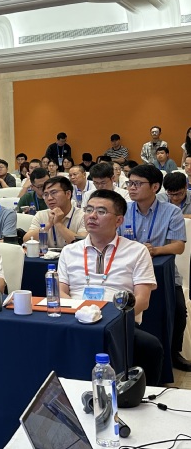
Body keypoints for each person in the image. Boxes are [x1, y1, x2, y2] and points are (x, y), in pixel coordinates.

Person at [58, 190, 163, 385]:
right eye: (89, 210)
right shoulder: (69, 251)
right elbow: (61, 292)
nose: (92, 216)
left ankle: (141, 395)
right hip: (75, 319)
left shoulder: (137, 251)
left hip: (118, 323)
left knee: (150, 346)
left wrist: (109, 319)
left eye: (101, 211)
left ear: (119, 220)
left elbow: (143, 300)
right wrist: (79, 313)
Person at [123, 164, 190, 371]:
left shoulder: (172, 212)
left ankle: (173, 353)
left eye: (137, 184)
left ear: (155, 187)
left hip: (163, 272)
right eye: (130, 183)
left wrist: (154, 250)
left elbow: (178, 246)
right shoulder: (122, 210)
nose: (131, 188)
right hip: (127, 272)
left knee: (179, 309)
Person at [23, 176, 87, 248]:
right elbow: (26, 240)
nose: (49, 198)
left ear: (68, 194)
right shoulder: (41, 215)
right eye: (46, 194)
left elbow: (82, 245)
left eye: (54, 193)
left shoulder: (83, 216)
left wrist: (58, 224)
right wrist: (48, 226)